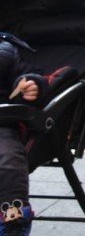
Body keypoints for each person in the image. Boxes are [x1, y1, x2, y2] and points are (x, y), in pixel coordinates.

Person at [0, 34, 46, 236]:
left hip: (2, 123)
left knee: (8, 160)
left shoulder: (5, 51)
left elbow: (26, 75)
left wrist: (32, 84)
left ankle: (14, 219)